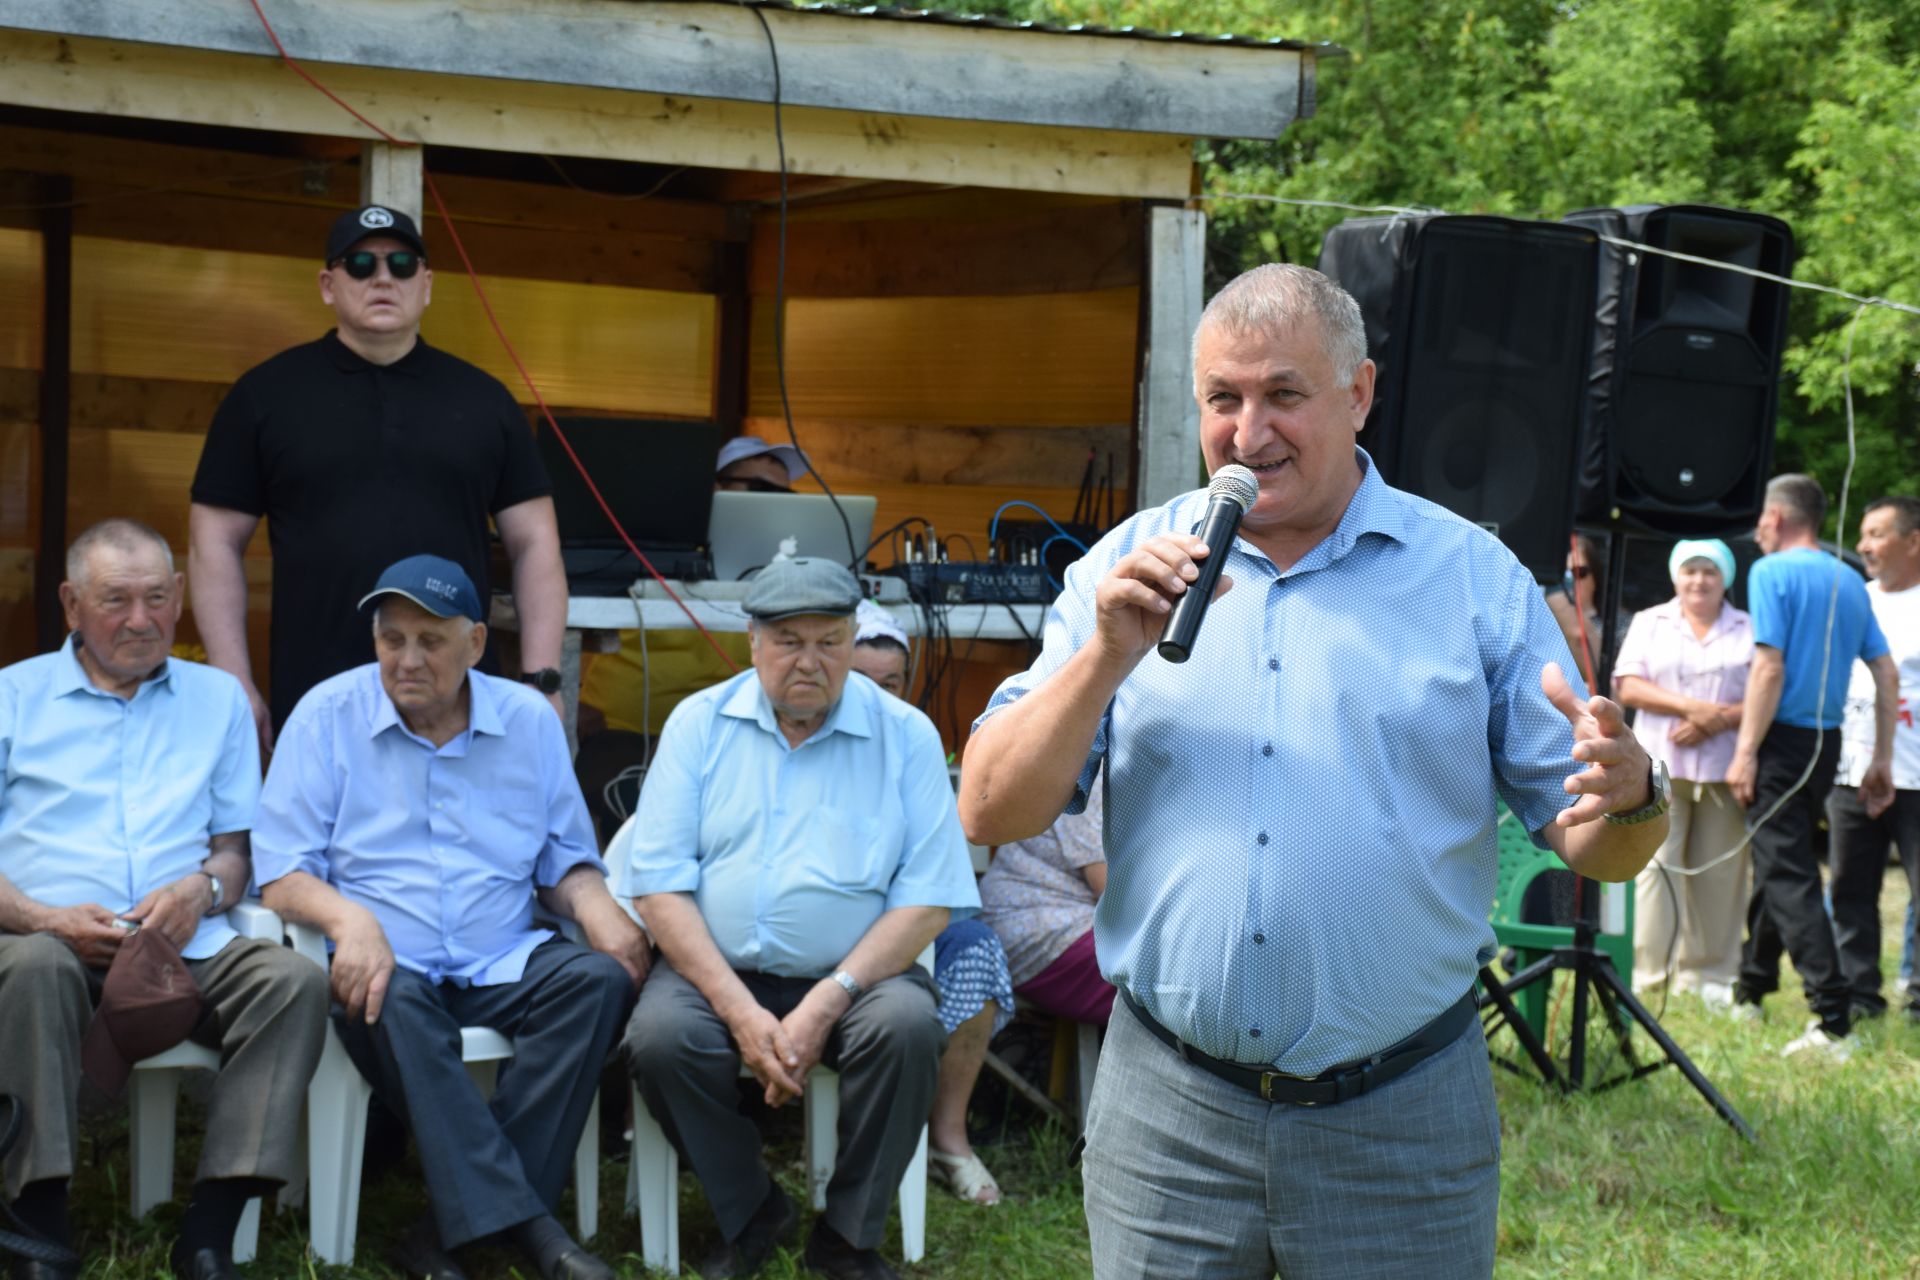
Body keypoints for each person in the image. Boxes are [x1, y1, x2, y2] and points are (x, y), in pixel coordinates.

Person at [958, 263, 1667, 1280]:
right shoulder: (1124, 569)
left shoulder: (1470, 578)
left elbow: (1600, 851)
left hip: (1401, 1114)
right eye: (1223, 399)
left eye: (1284, 394)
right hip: (1171, 1112)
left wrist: (1634, 791)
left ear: (1359, 393)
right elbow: (991, 805)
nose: (1249, 434)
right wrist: (1107, 653)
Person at [253, 555, 646, 1280]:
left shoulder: (527, 720)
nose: (406, 659)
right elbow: (280, 872)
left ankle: (444, 1235)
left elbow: (563, 859)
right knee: (387, 995)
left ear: (473, 645)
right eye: (390, 639)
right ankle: (535, 1234)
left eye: (430, 641)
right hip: (385, 963)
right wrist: (349, 920)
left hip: (502, 954)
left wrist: (602, 911)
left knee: (595, 981)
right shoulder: (327, 715)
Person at [616, 557, 980, 1280]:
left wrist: (824, 1002)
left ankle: (846, 1239)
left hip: (860, 976)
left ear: (853, 641)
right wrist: (739, 1011)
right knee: (659, 1038)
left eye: (830, 641)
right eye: (789, 641)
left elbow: (929, 900)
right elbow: (658, 889)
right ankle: (754, 1209)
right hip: (715, 969)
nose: (809, 662)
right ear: (753, 642)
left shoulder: (904, 735)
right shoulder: (699, 725)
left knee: (906, 1028)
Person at [0, 520, 326, 1280]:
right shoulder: (12, 698)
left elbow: (237, 851)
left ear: (180, 597)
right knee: (34, 971)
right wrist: (44, 919)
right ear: (71, 603)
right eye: (116, 600)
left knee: (293, 982)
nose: (141, 620)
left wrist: (203, 889)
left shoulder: (218, 701)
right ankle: (35, 1221)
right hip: (42, 936)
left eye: (155, 598)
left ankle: (210, 1230)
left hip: (185, 943)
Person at [189, 204, 569, 753]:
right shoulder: (264, 396)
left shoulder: (486, 401)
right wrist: (233, 682)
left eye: (403, 264)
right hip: (315, 694)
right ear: (328, 284)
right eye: (361, 263)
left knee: (463, 837)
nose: (383, 277)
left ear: (428, 284)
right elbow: (212, 543)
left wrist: (541, 680)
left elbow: (536, 543)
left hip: (457, 699)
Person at [1725, 474, 1898, 1060]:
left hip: (1781, 743)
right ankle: (1751, 987)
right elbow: (1886, 672)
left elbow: (1768, 668)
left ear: (1775, 518)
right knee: (1784, 860)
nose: (1757, 532)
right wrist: (1879, 758)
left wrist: (1745, 751)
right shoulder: (1853, 581)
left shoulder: (1771, 572)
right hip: (1828, 743)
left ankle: (1832, 1016)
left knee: (1788, 871)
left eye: (1759, 522)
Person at [850, 602, 1013, 1207]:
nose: (877, 697)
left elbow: (944, 874)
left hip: (906, 922)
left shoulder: (916, 744)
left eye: (890, 683)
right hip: (824, 929)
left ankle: (948, 1137)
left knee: (974, 948)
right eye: (860, 682)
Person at [573, 436, 813, 838]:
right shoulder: (652, 546)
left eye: (784, 495)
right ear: (715, 487)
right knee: (638, 819)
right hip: (625, 731)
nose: (773, 504)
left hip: (735, 739)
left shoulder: (789, 572)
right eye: (759, 490)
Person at [1612, 538, 1754, 1000]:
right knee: (1657, 870)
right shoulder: (1651, 622)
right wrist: (1693, 709)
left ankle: (1711, 977)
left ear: (1725, 579)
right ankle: (1651, 974)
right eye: (1690, 570)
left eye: (1710, 571)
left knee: (1721, 871)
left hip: (1725, 768)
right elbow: (1629, 685)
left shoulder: (1748, 627)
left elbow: (1766, 690)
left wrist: (1717, 719)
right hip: (1659, 769)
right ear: (1676, 577)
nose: (1699, 580)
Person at [1828, 496, 1920, 1023]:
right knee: (1850, 889)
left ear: (1912, 541)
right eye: (1862, 534)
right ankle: (1862, 996)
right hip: (1851, 771)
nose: (1863, 545)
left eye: (1877, 534)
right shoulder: (1853, 601)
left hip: (1914, 775)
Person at [978, 779, 1114, 1030]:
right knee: (1177, 973)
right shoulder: (1097, 774)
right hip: (1042, 929)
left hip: (1075, 924)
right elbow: (1114, 894)